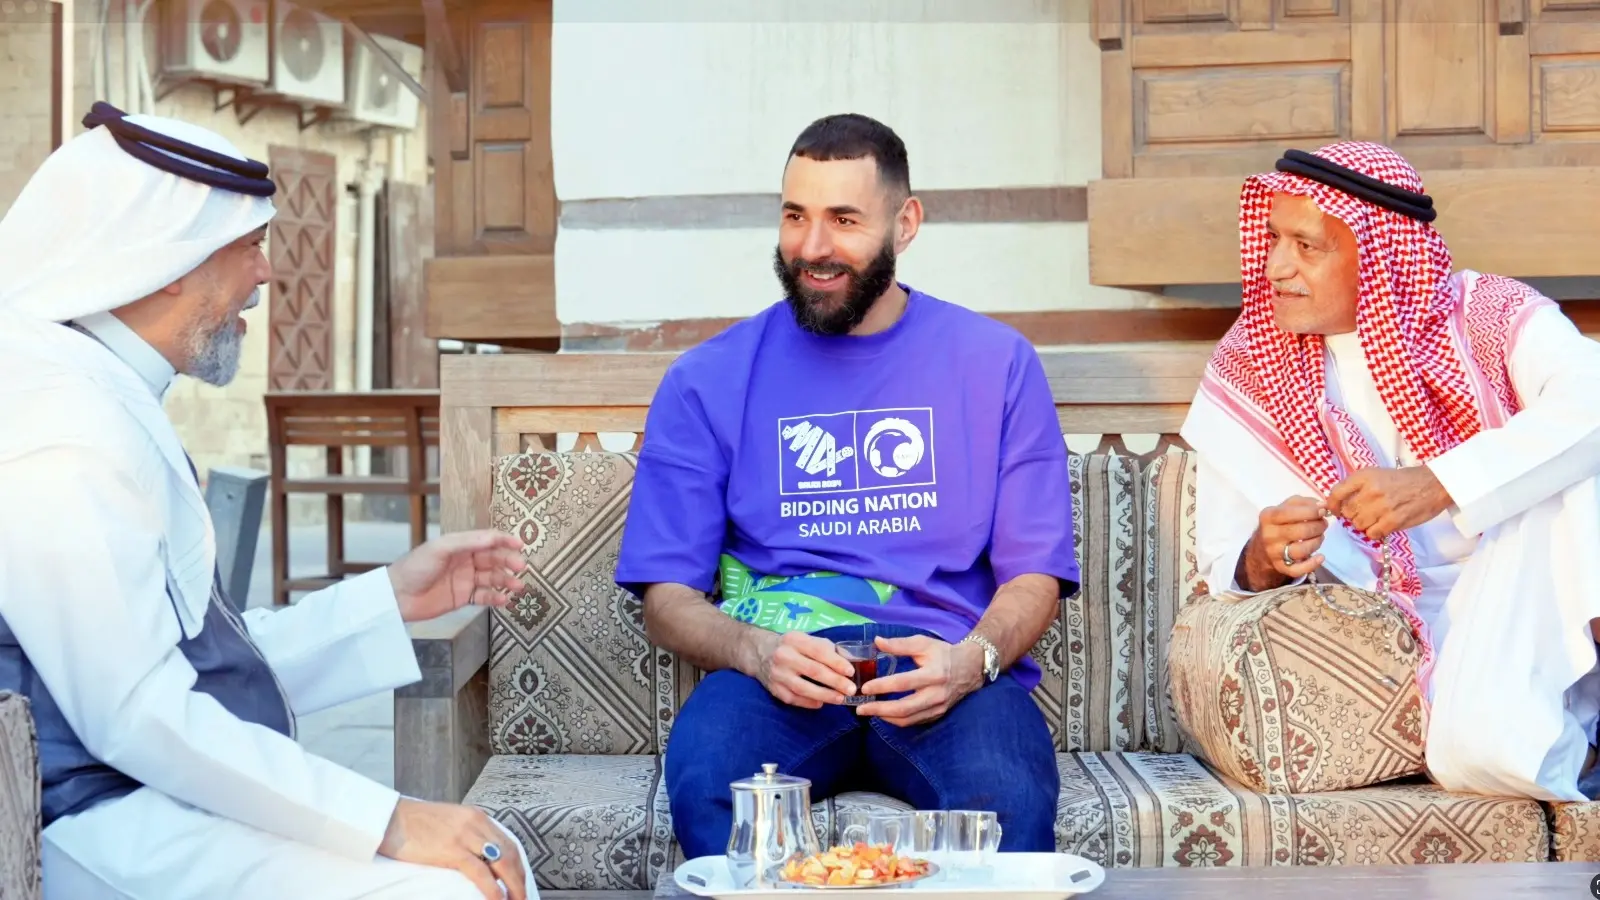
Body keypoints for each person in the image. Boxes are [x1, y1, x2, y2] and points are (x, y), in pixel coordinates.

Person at [0, 103, 537, 900]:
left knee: (487, 860)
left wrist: (390, 599)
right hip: (87, 824)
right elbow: (138, 713)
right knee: (455, 886)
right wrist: (388, 820)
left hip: (148, 791)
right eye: (249, 246)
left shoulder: (99, 389)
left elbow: (195, 668)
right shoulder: (61, 430)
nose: (266, 274)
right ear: (170, 261)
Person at [613, 113, 1078, 858]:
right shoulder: (709, 378)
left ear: (905, 223)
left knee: (1008, 803)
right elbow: (667, 600)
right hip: (780, 674)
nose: (812, 246)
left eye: (845, 219)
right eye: (795, 216)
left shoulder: (996, 364)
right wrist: (756, 651)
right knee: (709, 783)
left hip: (942, 670)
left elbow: (1035, 577)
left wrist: (971, 663)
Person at [1183, 140, 1600, 802]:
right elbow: (1224, 562)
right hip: (1395, 625)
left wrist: (1440, 484)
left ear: (1381, 255)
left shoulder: (1489, 315)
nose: (1276, 266)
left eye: (1306, 246)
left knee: (1579, 464)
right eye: (1273, 239)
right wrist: (1265, 556)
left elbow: (1592, 397)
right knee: (1482, 753)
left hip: (1531, 579)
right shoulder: (1251, 364)